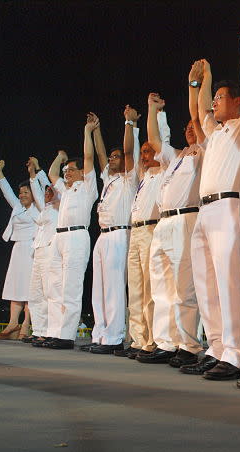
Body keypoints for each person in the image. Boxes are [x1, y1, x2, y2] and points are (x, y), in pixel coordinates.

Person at [181, 57, 240, 380]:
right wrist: (198, 82)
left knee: (230, 282)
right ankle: (216, 347)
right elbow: (198, 111)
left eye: (220, 97)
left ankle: (235, 353)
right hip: (206, 211)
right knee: (206, 284)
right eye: (214, 98)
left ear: (237, 101)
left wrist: (216, 72)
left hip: (231, 206)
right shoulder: (214, 133)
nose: (214, 103)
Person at [139, 64, 206, 367]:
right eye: (187, 128)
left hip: (186, 218)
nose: (191, 129)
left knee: (183, 286)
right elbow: (155, 143)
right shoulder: (176, 158)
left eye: (195, 126)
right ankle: (166, 342)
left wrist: (196, 85)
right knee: (162, 286)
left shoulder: (203, 151)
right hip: (164, 222)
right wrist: (152, 110)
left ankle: (189, 345)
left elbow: (200, 120)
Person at [85, 112, 138, 355]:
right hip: (103, 236)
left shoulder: (129, 178)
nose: (113, 160)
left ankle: (115, 337)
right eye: (112, 157)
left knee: (115, 287)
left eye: (117, 157)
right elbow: (99, 155)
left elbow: (128, 152)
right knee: (99, 288)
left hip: (120, 234)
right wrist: (95, 131)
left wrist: (129, 123)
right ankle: (100, 334)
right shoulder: (109, 179)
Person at [45, 120, 98, 349]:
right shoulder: (64, 190)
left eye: (70, 170)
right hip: (58, 237)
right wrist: (60, 157)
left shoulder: (87, 187)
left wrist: (87, 131)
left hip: (77, 237)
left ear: (81, 173)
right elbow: (51, 173)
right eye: (66, 171)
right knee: (54, 286)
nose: (66, 173)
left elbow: (88, 158)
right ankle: (54, 332)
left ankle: (66, 336)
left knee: (71, 287)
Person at [122, 107, 169, 361]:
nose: (145, 156)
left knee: (152, 289)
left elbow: (161, 140)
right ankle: (139, 340)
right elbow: (132, 150)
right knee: (137, 289)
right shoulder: (143, 176)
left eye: (149, 152)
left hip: (152, 228)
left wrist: (158, 114)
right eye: (144, 153)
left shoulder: (163, 171)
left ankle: (153, 339)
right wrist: (130, 124)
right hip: (135, 232)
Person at [0, 160, 39, 340]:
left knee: (29, 289)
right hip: (18, 249)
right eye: (20, 192)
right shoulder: (17, 207)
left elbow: (38, 185)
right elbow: (6, 191)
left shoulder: (39, 208)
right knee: (15, 287)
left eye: (26, 192)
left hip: (32, 249)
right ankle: (13, 323)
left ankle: (25, 327)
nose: (21, 195)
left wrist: (33, 172)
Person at [27, 156, 60, 346]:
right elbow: (37, 191)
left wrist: (39, 170)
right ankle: (38, 329)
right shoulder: (44, 208)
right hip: (38, 252)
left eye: (49, 190)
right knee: (35, 293)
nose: (46, 193)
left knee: (48, 292)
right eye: (45, 191)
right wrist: (32, 174)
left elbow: (51, 187)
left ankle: (49, 330)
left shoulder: (59, 205)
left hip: (50, 250)